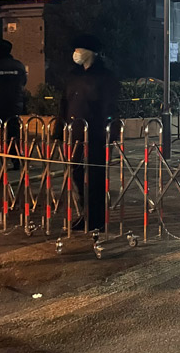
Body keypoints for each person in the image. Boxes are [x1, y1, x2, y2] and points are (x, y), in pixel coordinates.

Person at [60, 34, 119, 231]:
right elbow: (64, 103)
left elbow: (111, 108)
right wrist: (59, 130)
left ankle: (97, 218)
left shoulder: (105, 77)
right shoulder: (72, 76)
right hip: (75, 133)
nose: (75, 53)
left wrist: (110, 134)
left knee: (96, 177)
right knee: (77, 173)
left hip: (96, 135)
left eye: (79, 49)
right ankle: (85, 213)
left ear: (90, 52)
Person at [0, 40, 27, 170]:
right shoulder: (19, 66)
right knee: (13, 134)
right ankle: (16, 160)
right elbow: (23, 83)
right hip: (14, 106)